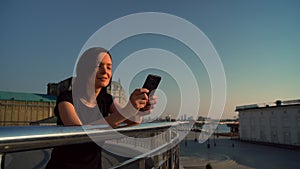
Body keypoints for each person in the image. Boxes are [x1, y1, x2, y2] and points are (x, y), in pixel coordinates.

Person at [46, 47, 156, 169]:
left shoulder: (107, 99)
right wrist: (128, 110)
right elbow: (79, 135)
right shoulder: (66, 99)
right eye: (98, 66)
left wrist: (138, 109)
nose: (105, 71)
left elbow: (133, 121)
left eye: (109, 67)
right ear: (84, 69)